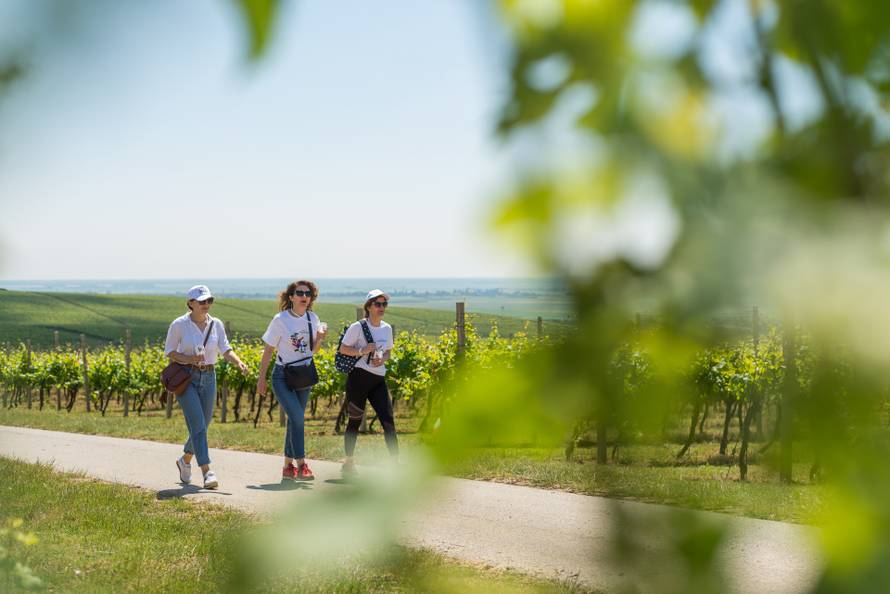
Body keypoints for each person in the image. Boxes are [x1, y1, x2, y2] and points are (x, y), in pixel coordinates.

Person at [165, 285, 249, 489]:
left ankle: (185, 460)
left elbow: (226, 348)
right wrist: (189, 359)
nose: (206, 305)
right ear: (190, 303)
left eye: (209, 301)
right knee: (198, 425)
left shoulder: (216, 324)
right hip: (187, 378)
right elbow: (170, 352)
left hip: (210, 376)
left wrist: (237, 362)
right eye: (202, 301)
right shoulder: (179, 325)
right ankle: (207, 471)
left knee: (204, 423)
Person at [257, 280, 328, 481]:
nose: (304, 296)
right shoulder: (280, 320)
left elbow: (312, 351)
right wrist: (261, 379)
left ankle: (287, 466)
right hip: (282, 376)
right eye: (300, 293)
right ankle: (302, 464)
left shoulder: (312, 318)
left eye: (308, 293)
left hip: (304, 374)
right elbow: (269, 350)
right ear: (291, 297)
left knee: (294, 420)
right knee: (298, 418)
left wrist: (321, 338)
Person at [338, 289, 397, 476]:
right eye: (377, 304)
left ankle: (395, 463)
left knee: (388, 420)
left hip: (378, 379)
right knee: (354, 421)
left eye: (384, 304)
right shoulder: (357, 327)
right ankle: (348, 462)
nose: (381, 307)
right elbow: (343, 349)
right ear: (369, 307)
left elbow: (388, 352)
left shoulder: (387, 328)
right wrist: (362, 350)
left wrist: (383, 359)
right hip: (359, 379)